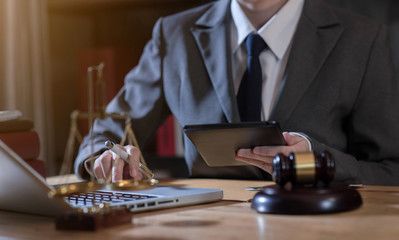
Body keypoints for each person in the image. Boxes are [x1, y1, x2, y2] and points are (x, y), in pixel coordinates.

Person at [74, 0, 399, 186]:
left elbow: (391, 170)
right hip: (207, 229)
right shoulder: (173, 35)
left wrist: (316, 164)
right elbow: (103, 134)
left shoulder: (363, 40)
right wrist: (105, 159)